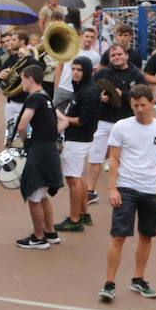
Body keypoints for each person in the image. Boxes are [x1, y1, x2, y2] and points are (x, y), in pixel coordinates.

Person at [100, 85, 156, 302]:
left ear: (153, 103)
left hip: (153, 189)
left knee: (146, 235)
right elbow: (113, 159)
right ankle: (109, 283)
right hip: (126, 188)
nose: (139, 109)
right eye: (135, 105)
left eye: (143, 105)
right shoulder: (121, 127)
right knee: (119, 236)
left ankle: (138, 279)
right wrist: (112, 188)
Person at [87, 44, 147, 215]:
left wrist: (125, 95)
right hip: (104, 121)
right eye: (113, 55)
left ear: (126, 55)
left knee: (127, 159)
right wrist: (101, 98)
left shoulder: (136, 75)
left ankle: (127, 192)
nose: (116, 57)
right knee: (95, 156)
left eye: (119, 54)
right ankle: (90, 191)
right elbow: (90, 93)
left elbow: (144, 96)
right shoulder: (102, 73)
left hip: (127, 122)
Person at [13, 66, 64, 249]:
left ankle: (38, 237)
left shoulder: (34, 98)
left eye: (22, 79)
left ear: (30, 79)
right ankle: (50, 233)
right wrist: (48, 134)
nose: (21, 83)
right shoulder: (46, 97)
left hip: (39, 152)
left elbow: (22, 125)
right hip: (49, 149)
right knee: (42, 196)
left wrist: (24, 141)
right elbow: (63, 121)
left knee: (34, 196)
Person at [54, 57, 100, 233]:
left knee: (73, 179)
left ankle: (74, 219)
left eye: (79, 69)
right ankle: (83, 213)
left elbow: (84, 120)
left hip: (78, 139)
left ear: (87, 71)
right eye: (73, 69)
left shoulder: (89, 91)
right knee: (78, 177)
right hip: (76, 138)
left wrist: (62, 118)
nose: (75, 72)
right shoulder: (82, 88)